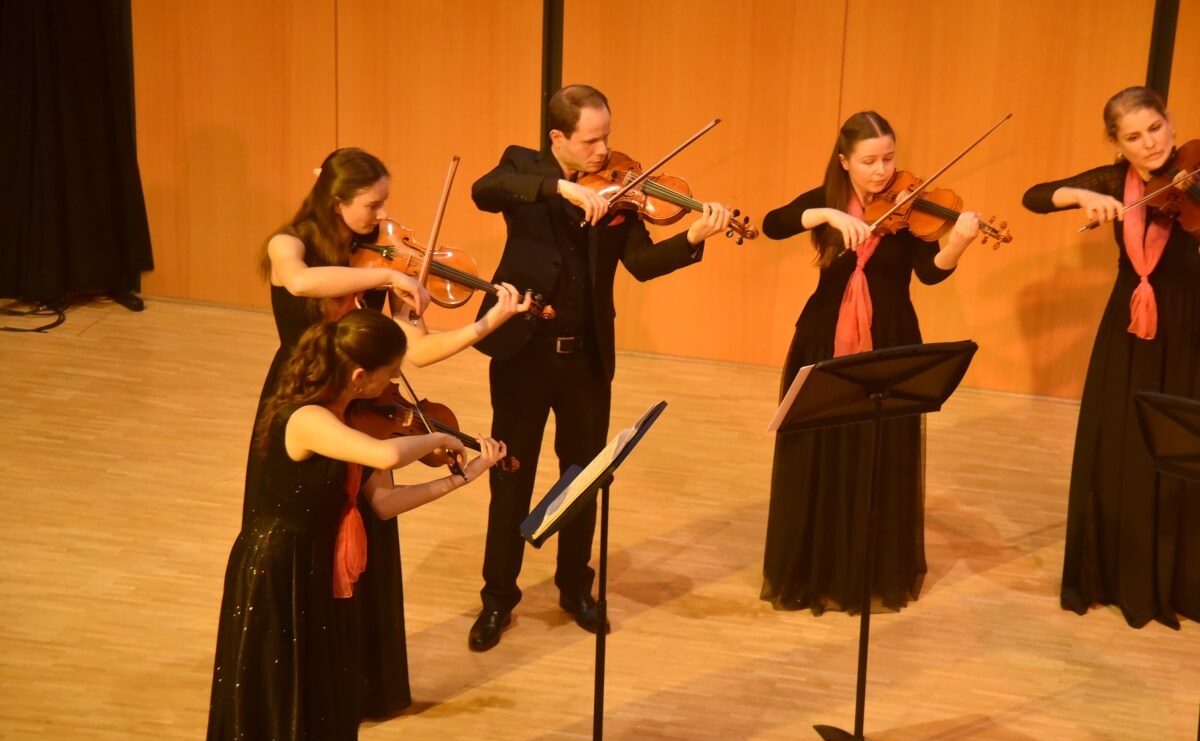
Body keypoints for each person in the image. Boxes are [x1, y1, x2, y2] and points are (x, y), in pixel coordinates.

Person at [253, 146, 530, 717]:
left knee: (370, 534)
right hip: (306, 404)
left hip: (364, 404)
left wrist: (487, 322)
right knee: (307, 540)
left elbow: (417, 351)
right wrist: (383, 272)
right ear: (337, 201)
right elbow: (299, 283)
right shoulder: (291, 244)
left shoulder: (384, 261)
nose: (382, 217)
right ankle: (302, 690)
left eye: (385, 204)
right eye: (372, 205)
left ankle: (362, 689)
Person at [466, 84, 734, 651]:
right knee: (511, 477)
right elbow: (484, 190)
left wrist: (692, 236)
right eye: (590, 141)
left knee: (583, 477)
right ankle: (497, 599)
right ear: (557, 138)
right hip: (523, 356)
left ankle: (574, 587)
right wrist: (559, 186)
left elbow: (641, 263)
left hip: (585, 358)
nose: (603, 150)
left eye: (607, 136)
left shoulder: (622, 190)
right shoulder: (523, 167)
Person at [200, 308, 506, 741]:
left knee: (324, 702)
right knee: (279, 702)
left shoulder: (359, 421)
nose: (394, 388)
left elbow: (384, 503)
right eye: (390, 375)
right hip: (277, 571)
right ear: (360, 376)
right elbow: (386, 456)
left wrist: (463, 477)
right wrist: (441, 436)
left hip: (318, 571)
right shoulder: (307, 418)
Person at [758, 110, 981, 614]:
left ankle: (866, 570)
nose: (882, 171)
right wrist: (826, 215)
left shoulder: (912, 207)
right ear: (845, 162)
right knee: (819, 452)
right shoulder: (826, 200)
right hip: (823, 338)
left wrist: (958, 243)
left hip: (889, 338)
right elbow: (773, 224)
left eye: (888, 159)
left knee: (878, 453)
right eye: (869, 161)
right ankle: (813, 570)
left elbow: (930, 273)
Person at [1022, 86, 1200, 629]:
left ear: (1171, 123)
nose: (1150, 144)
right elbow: (1034, 195)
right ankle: (1119, 576)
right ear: (1117, 143)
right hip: (1129, 325)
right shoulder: (1115, 181)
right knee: (1120, 441)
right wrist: (1079, 196)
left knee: (1184, 446)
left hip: (1190, 324)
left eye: (1155, 129)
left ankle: (1181, 579)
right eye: (1134, 137)